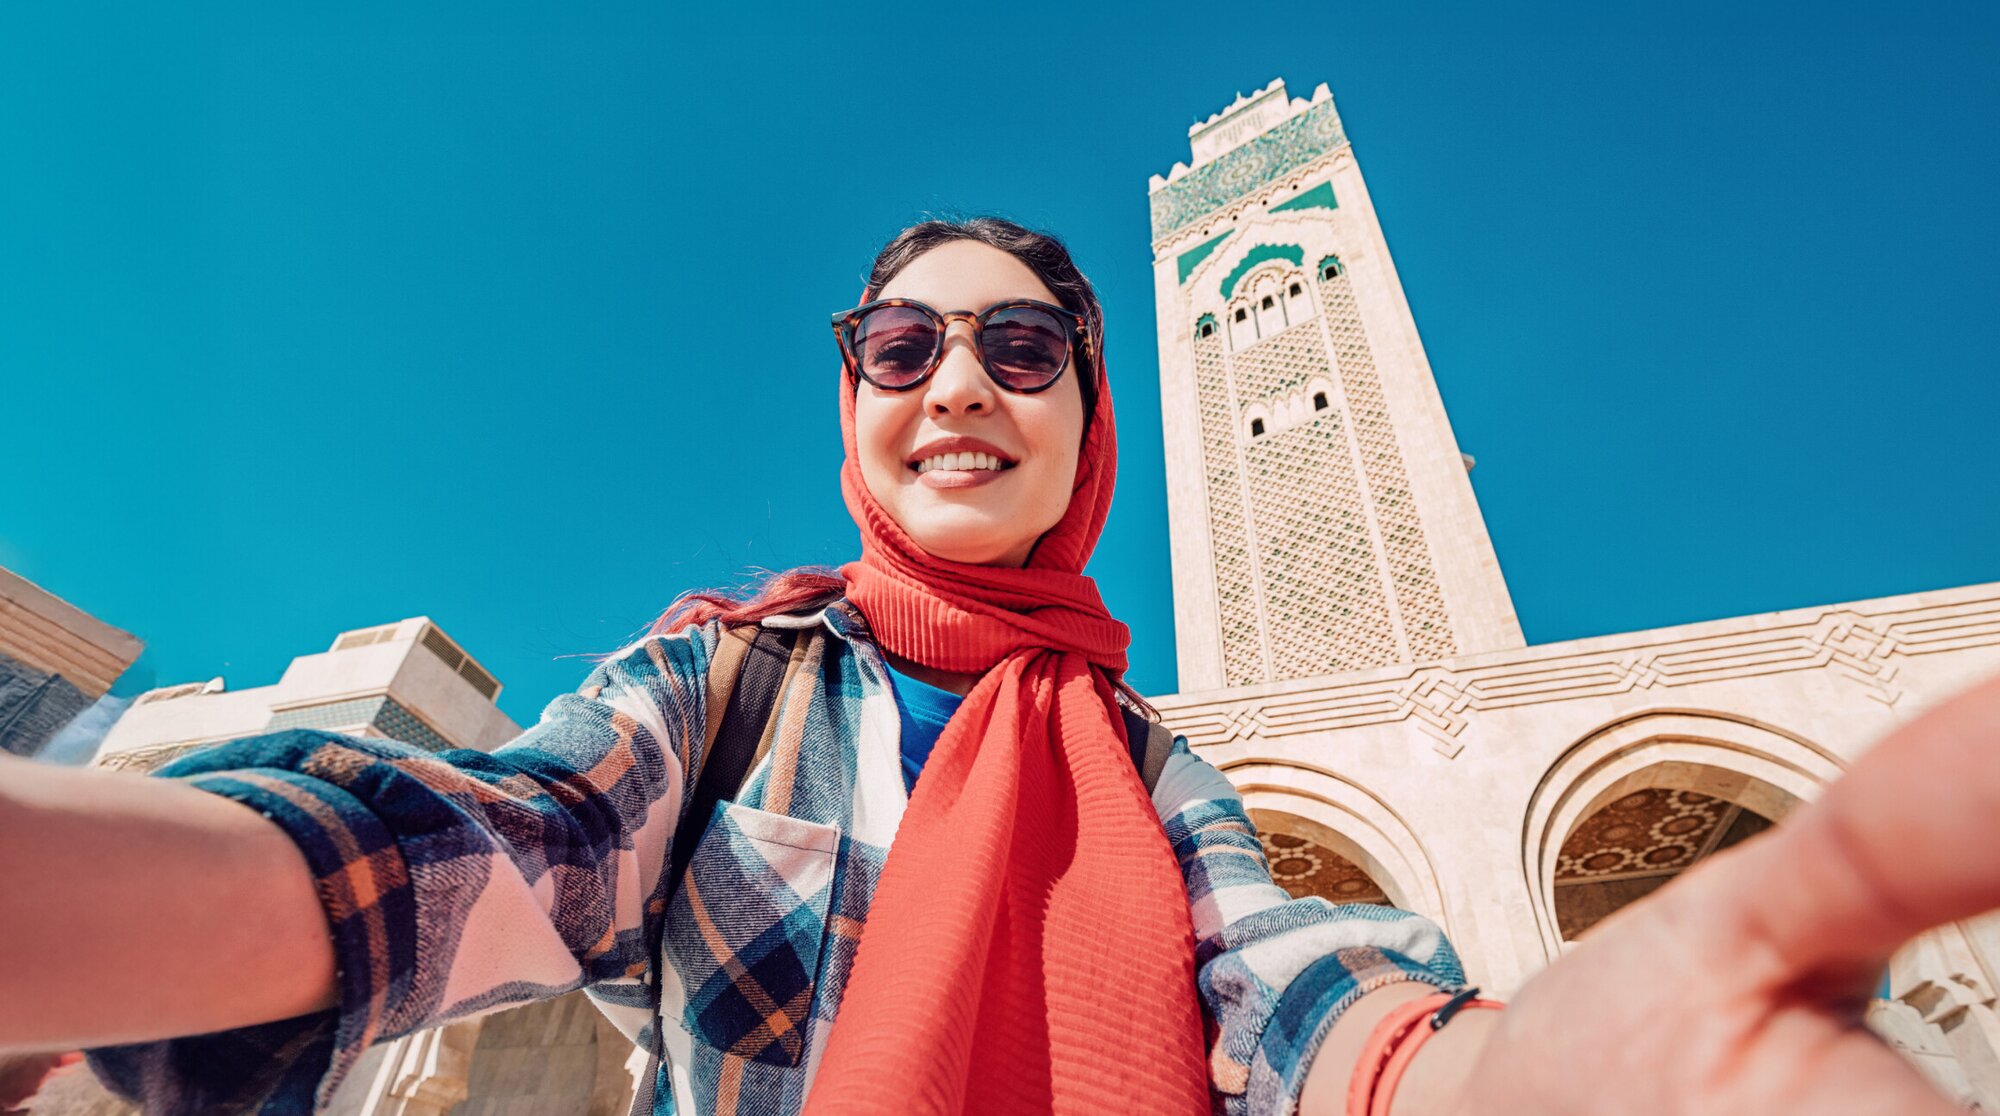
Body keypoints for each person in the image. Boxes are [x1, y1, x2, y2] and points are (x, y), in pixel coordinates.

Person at [2, 217, 1996, 1116]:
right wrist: (80, 902)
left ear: (1087, 425)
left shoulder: (1144, 766)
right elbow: (486, 850)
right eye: (904, 346)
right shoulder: (730, 689)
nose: (959, 383)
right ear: (856, 403)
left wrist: (1517, 1072)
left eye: (1022, 347)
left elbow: (1288, 1001)